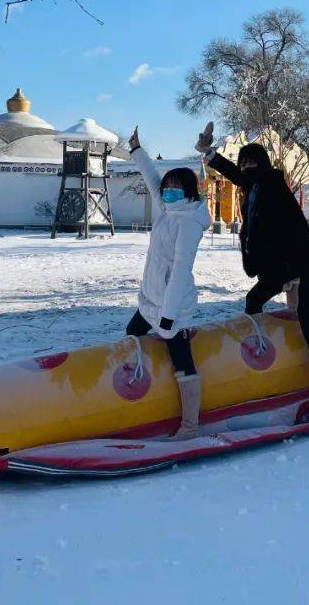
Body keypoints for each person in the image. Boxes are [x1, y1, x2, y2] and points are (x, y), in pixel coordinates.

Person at [194, 122, 309, 422]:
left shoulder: (271, 183)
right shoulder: (254, 187)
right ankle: (264, 359)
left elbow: (240, 175)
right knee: (253, 301)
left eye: (252, 162)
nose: (246, 168)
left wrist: (212, 154)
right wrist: (208, 154)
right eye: (243, 162)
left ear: (265, 165)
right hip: (278, 268)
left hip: (303, 264)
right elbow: (237, 177)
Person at [126, 126, 211, 439]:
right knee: (132, 333)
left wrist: (169, 317)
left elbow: (179, 273)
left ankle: (190, 425)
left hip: (171, 306)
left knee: (182, 362)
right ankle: (145, 392)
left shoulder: (188, 222)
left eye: (176, 187)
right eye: (168, 186)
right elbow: (152, 180)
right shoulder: (167, 210)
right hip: (150, 298)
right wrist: (137, 150)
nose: (169, 190)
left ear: (188, 191)